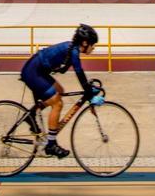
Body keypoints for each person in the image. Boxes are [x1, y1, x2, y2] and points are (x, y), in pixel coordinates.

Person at [19, 24, 102, 159]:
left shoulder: (72, 49)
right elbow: (79, 72)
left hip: (38, 70)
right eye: (93, 44)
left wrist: (88, 89)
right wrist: (88, 91)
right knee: (57, 103)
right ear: (85, 43)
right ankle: (51, 144)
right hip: (33, 71)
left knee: (59, 90)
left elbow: (80, 74)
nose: (94, 47)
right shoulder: (73, 51)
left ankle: (31, 114)